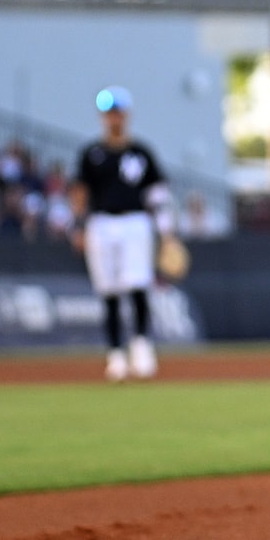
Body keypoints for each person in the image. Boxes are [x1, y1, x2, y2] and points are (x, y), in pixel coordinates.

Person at [69, 85, 174, 381]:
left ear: (126, 115)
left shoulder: (141, 153)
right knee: (109, 290)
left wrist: (166, 233)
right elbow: (80, 192)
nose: (113, 118)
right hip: (101, 223)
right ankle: (115, 355)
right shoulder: (93, 154)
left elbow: (157, 195)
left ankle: (141, 348)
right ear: (103, 117)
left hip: (135, 223)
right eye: (108, 113)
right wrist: (77, 226)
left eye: (117, 112)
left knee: (138, 284)